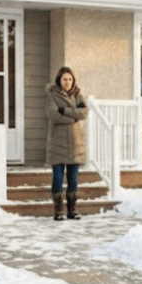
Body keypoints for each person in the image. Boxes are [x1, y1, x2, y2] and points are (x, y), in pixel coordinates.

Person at [45, 67, 88, 221]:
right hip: (58, 144)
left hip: (75, 143)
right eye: (64, 79)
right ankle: (58, 211)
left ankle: (72, 211)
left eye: (70, 79)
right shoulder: (52, 96)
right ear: (59, 80)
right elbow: (53, 115)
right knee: (57, 178)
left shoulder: (78, 95)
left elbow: (84, 113)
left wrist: (65, 110)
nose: (67, 82)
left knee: (73, 178)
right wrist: (73, 117)